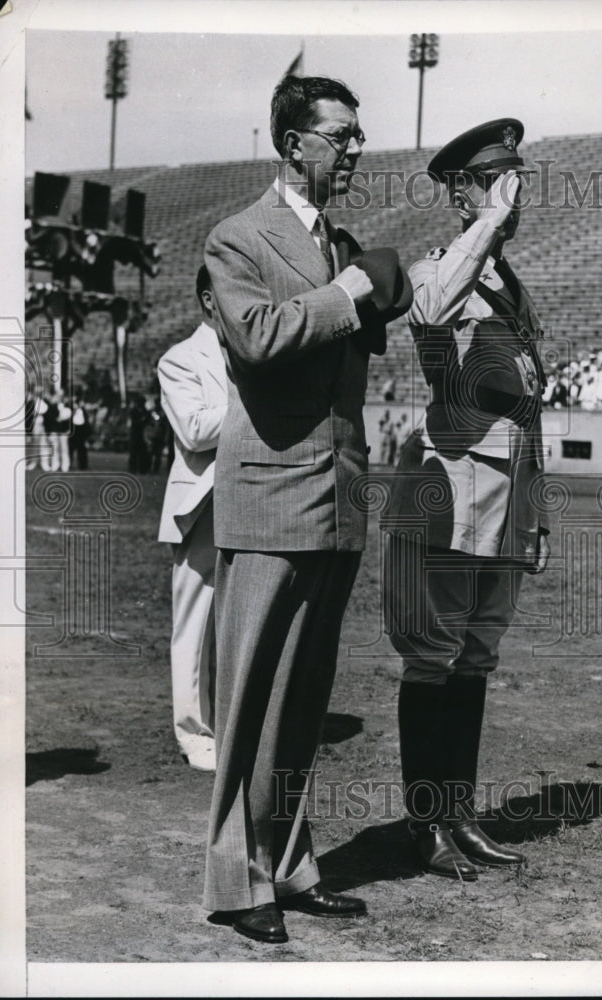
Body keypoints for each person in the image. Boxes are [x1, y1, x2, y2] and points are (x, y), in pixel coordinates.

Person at [202, 74, 412, 944]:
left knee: (303, 702)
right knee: (250, 699)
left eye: (357, 134)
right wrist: (358, 291)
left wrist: (378, 283)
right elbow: (258, 337)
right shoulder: (235, 237)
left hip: (334, 499)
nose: (356, 147)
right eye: (340, 134)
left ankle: (287, 863)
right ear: (295, 145)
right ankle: (232, 877)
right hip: (267, 497)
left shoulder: (340, 241)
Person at [382, 119, 550, 880]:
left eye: (514, 178)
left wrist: (535, 513)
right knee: (433, 658)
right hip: (447, 494)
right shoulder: (437, 268)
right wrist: (483, 222)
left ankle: (458, 815)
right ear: (460, 193)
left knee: (475, 660)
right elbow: (429, 316)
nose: (510, 195)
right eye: (492, 181)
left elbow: (527, 407)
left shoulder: (508, 283)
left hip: (502, 501)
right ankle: (424, 827)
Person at [157, 266, 228, 772]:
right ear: (208, 298)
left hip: (257, 500)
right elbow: (197, 430)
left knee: (239, 624)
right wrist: (260, 399)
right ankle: (194, 733)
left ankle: (231, 726)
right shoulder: (180, 358)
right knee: (196, 624)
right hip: (203, 507)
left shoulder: (255, 355)